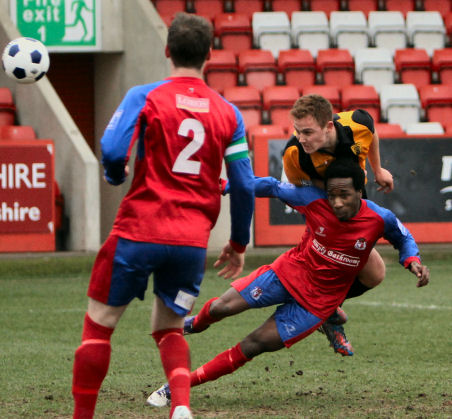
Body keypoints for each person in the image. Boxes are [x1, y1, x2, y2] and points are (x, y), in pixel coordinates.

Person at [71, 13, 255, 419]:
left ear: (167, 50)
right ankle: (182, 407)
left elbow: (114, 148)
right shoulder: (228, 113)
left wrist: (115, 174)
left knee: (99, 326)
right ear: (210, 54)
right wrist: (238, 242)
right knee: (169, 327)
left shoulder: (145, 95)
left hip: (138, 230)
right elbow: (243, 183)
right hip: (190, 242)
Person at [147, 158, 429, 408]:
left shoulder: (379, 218)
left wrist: (412, 261)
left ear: (359, 191)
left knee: (253, 344)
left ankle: (177, 387)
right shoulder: (313, 200)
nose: (337, 202)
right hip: (288, 272)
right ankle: (191, 326)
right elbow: (271, 186)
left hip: (315, 305)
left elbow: (403, 237)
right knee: (222, 306)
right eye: (332, 195)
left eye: (344, 195)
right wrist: (226, 185)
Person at [283, 94, 395, 356]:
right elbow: (302, 194)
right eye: (298, 131)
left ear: (328, 127)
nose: (301, 138)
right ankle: (323, 312)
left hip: (356, 206)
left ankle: (322, 310)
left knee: (373, 274)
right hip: (325, 210)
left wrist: (377, 170)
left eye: (308, 132)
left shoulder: (358, 123)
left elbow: (371, 134)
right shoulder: (294, 154)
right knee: (372, 270)